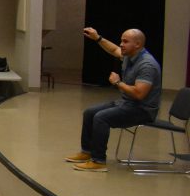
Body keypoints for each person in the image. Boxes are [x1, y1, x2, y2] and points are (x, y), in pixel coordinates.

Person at [66, 27, 162, 172]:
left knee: (101, 118)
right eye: (121, 41)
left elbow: (139, 94)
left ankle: (98, 161)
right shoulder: (129, 55)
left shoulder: (147, 65)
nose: (121, 44)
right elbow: (113, 50)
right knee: (90, 112)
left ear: (137, 44)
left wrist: (118, 83)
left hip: (142, 109)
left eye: (125, 41)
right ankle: (87, 152)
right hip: (127, 103)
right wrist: (97, 38)